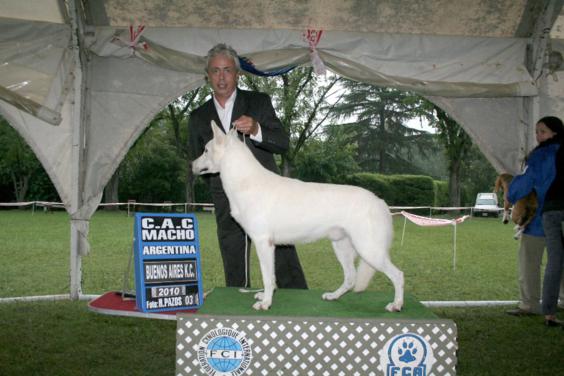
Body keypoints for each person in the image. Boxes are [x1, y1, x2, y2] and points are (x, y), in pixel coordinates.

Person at [188, 43, 308, 289]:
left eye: (227, 70)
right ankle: (238, 308)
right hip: (226, 199)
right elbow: (196, 160)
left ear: (237, 74)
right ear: (207, 75)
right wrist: (220, 186)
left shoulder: (259, 102)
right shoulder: (197, 116)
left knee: (282, 255)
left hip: (268, 197)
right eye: (216, 71)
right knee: (233, 258)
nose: (222, 77)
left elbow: (282, 143)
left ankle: (296, 305)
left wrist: (257, 129)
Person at [508, 116, 564, 326]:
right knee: (559, 262)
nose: (538, 135)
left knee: (530, 262)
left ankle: (530, 303)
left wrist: (511, 194)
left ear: (554, 133)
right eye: (537, 131)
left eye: (542, 131)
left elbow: (524, 183)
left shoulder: (540, 156)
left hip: (539, 217)